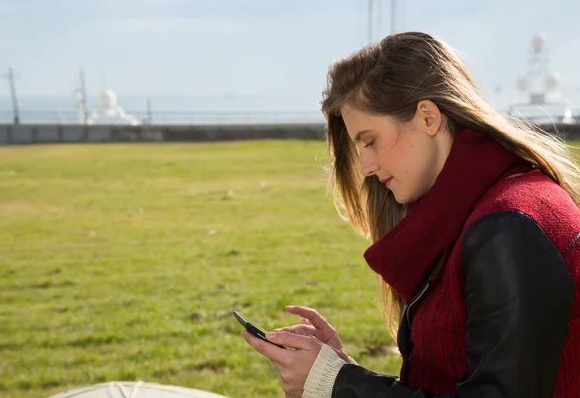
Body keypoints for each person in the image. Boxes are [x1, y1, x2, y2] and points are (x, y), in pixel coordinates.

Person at [240, 31, 580, 398]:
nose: (366, 166)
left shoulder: (508, 228)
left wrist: (336, 385)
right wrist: (342, 369)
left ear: (428, 117)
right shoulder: (477, 216)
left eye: (370, 141)